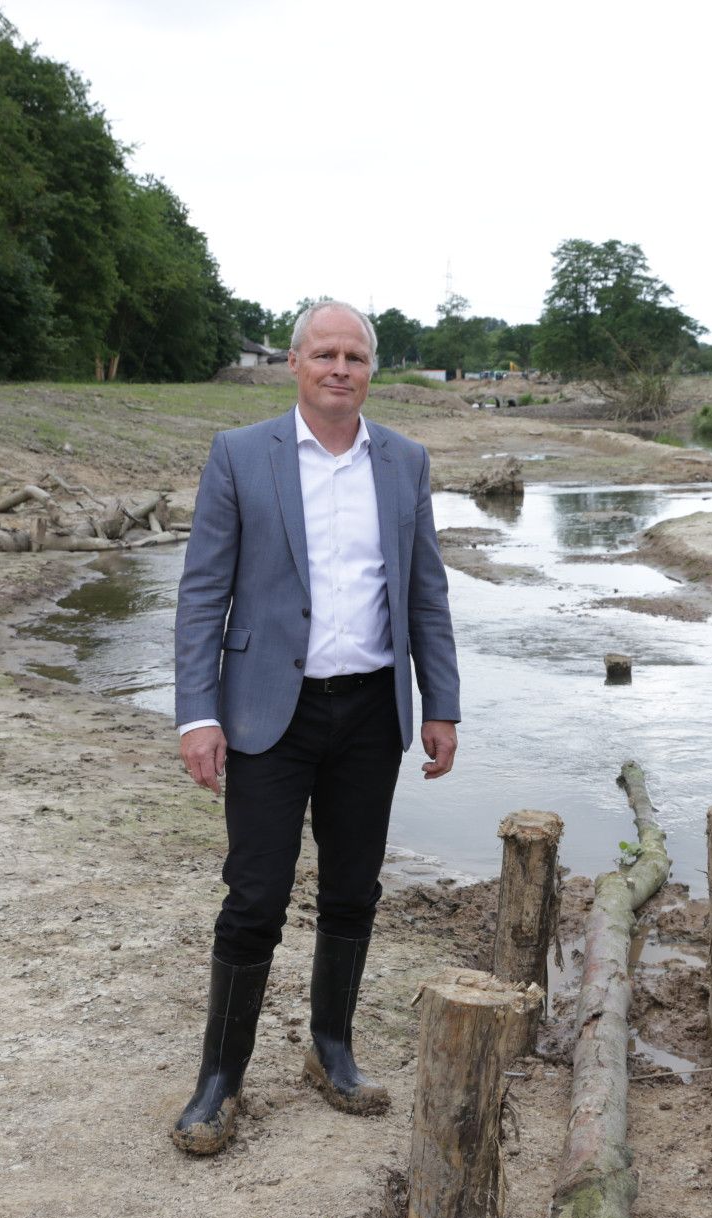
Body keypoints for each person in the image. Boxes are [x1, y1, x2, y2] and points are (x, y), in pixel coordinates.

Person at [168, 300, 460, 1155]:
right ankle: (219, 1080)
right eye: (325, 353)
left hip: (371, 709)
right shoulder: (239, 455)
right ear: (294, 363)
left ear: (373, 369)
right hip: (265, 712)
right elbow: (200, 593)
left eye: (356, 355)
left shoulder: (404, 461)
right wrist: (197, 714)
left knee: (352, 890)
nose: (340, 368)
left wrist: (439, 703)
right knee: (254, 896)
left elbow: (426, 592)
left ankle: (332, 1052)